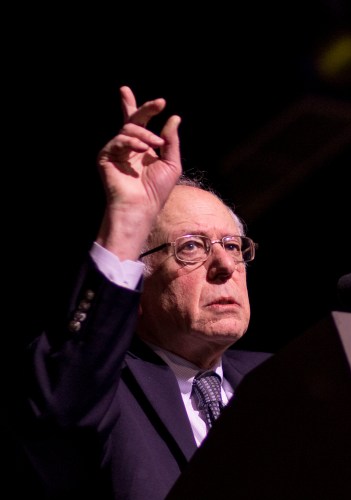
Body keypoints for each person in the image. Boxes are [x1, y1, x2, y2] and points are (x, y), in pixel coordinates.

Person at [15, 86, 272, 499]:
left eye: (232, 246)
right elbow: (62, 406)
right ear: (137, 279)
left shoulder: (283, 378)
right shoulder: (106, 388)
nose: (225, 265)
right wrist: (129, 220)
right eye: (191, 247)